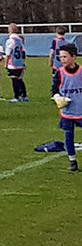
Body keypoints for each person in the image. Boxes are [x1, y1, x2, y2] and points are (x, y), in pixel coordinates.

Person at [53, 43, 82, 172]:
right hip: (68, 112)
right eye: (60, 57)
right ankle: (72, 160)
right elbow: (54, 89)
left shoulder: (81, 72)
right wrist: (58, 97)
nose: (62, 59)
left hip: (80, 110)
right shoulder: (59, 73)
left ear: (74, 57)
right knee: (68, 136)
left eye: (65, 56)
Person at [3, 23, 28, 102]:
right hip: (20, 62)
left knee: (14, 79)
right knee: (20, 79)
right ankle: (24, 95)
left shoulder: (10, 40)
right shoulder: (20, 40)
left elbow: (8, 53)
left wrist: (6, 63)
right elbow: (23, 52)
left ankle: (16, 96)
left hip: (13, 62)